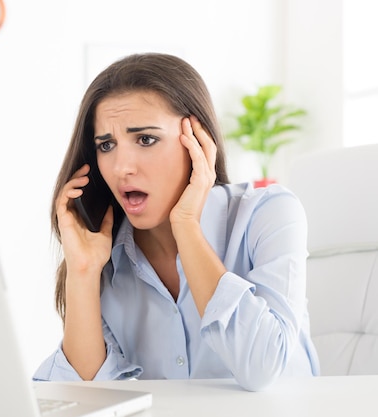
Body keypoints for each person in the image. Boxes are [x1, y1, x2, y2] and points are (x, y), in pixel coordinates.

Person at [32, 53, 320, 391]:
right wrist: (82, 273)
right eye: (106, 145)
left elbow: (262, 367)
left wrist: (186, 226)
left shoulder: (269, 214)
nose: (121, 167)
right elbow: (81, 397)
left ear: (198, 142)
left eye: (146, 139)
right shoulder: (105, 255)